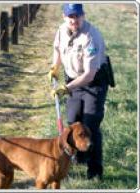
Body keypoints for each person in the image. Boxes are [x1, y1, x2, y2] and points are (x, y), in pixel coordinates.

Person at [48, 3, 109, 180]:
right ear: (64, 17)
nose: (74, 20)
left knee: (90, 126)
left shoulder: (91, 36)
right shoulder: (61, 30)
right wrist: (55, 68)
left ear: (83, 15)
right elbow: (57, 49)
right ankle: (77, 158)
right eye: (70, 16)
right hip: (73, 81)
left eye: (77, 16)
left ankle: (95, 170)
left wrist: (66, 88)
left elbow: (90, 74)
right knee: (73, 123)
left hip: (94, 82)